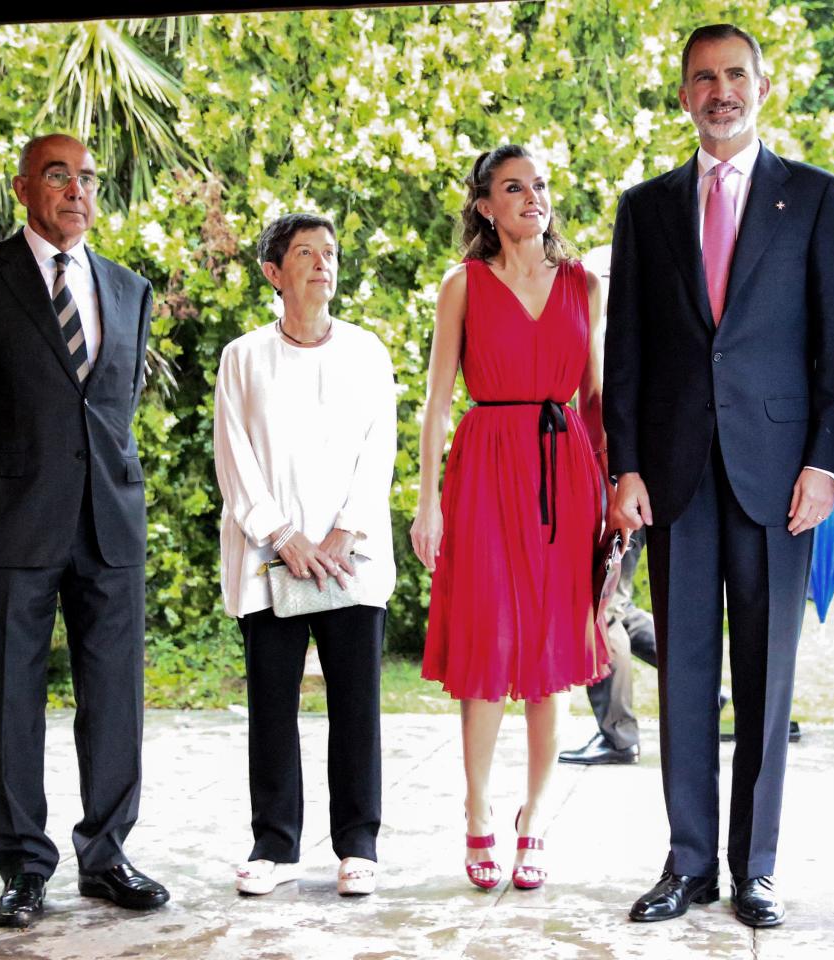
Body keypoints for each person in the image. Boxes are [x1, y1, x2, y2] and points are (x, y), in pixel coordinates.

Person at [605, 23, 834, 929]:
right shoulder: (646, 208)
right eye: (704, 78)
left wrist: (827, 462)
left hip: (779, 478)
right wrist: (622, 464)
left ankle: (755, 866)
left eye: (736, 75)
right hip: (672, 476)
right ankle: (687, 863)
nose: (722, 91)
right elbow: (623, 350)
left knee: (765, 676)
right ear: (682, 94)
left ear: (761, 84)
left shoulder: (815, 199)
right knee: (683, 675)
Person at [0, 133, 168, 929]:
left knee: (116, 701)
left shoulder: (129, 288)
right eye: (58, 175)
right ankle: (24, 866)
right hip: (9, 528)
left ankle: (108, 854)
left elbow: (112, 407)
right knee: (12, 702)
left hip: (109, 523)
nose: (76, 189)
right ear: (23, 186)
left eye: (88, 177)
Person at [413, 144, 610, 892]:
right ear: (486, 206)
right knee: (491, 646)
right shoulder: (461, 284)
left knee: (552, 654)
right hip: (486, 465)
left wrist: (614, 491)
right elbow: (436, 402)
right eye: (513, 188)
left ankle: (534, 817)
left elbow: (593, 399)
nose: (532, 197)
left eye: (540, 185)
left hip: (565, 474)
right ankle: (476, 809)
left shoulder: (584, 284)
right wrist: (426, 500)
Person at [213, 212, 395, 897]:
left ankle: (358, 845)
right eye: (305, 253)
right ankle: (274, 845)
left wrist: (342, 533)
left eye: (330, 252)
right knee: (271, 704)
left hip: (351, 557)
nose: (323, 263)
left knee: (357, 703)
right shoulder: (243, 357)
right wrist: (284, 536)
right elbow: (234, 456)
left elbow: (379, 451)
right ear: (272, 273)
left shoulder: (367, 352)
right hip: (271, 557)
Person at [559, 529, 657, 765]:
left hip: (617, 507)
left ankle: (619, 738)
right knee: (616, 609)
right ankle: (702, 685)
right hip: (624, 509)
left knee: (604, 612)